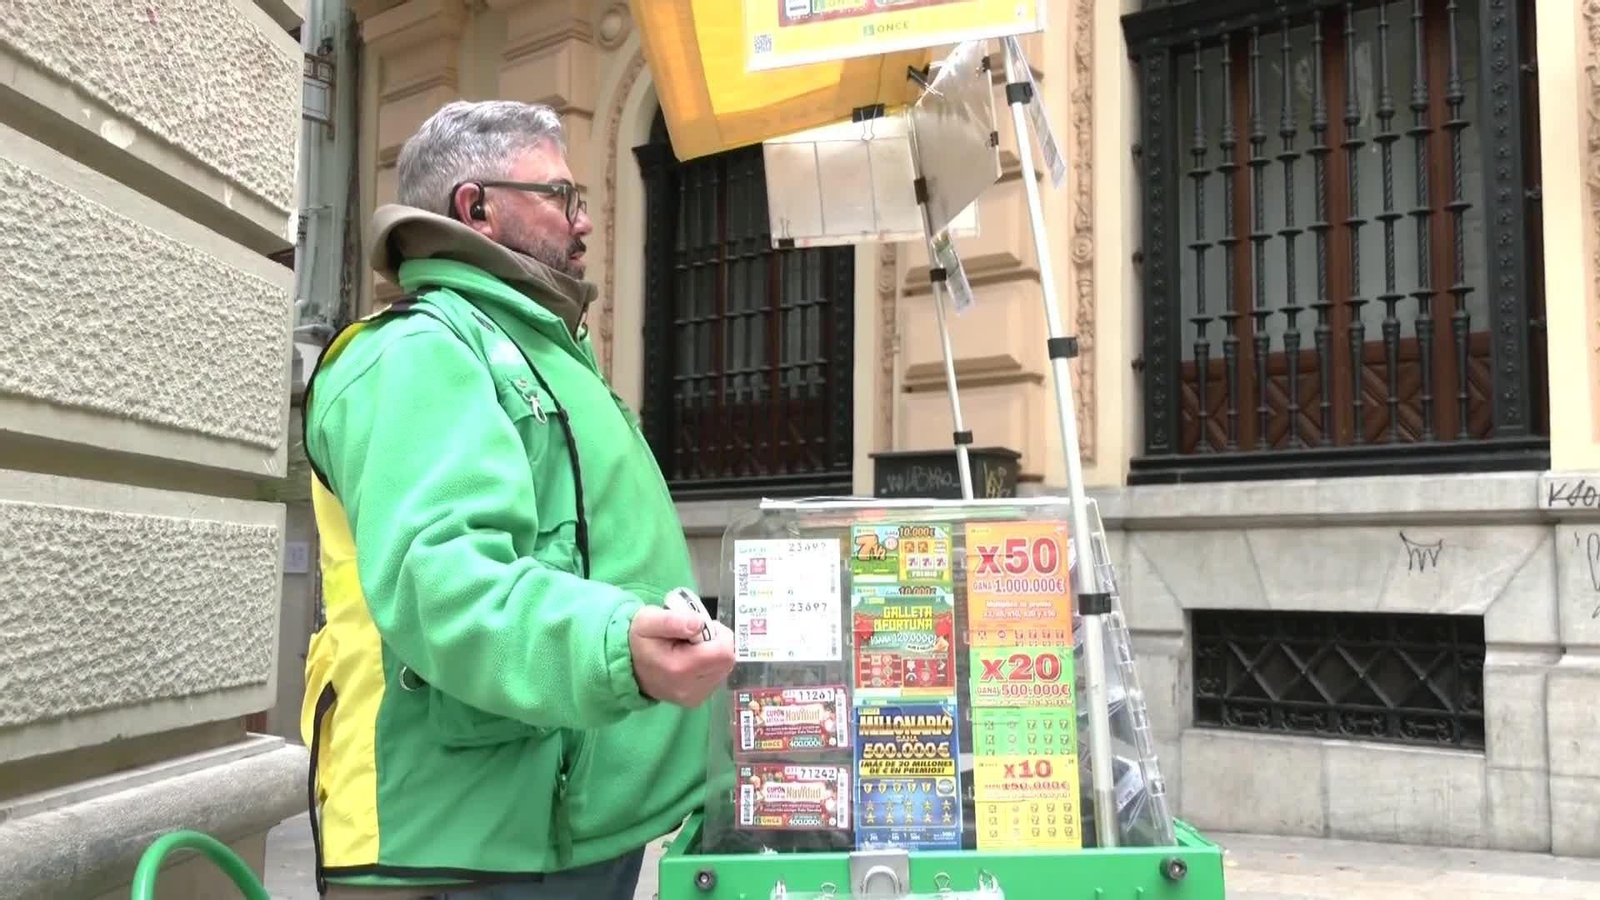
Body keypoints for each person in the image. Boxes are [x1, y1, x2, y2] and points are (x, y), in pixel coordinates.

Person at [298, 99, 737, 900]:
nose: (587, 222)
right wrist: (618, 648)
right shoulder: (419, 352)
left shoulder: (532, 347)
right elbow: (446, 586)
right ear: (478, 209)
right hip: (471, 844)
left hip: (559, 825)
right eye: (563, 196)